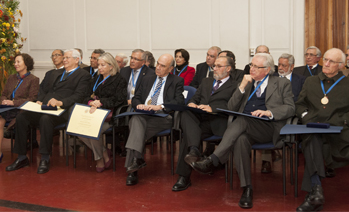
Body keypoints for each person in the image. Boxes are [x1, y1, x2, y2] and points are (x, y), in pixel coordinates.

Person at [191, 53, 295, 209]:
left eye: (255, 67)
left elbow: (290, 108)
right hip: (245, 126)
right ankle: (247, 189)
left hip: (268, 126)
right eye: (251, 65)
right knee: (240, 139)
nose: (251, 69)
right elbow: (231, 108)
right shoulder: (246, 83)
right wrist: (241, 87)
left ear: (267, 70)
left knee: (242, 119)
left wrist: (270, 112)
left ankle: (214, 159)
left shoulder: (281, 84)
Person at [294, 48, 349, 211]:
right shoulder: (311, 82)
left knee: (311, 142)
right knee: (312, 137)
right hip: (315, 129)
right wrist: (306, 116)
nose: (326, 64)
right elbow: (300, 105)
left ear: (341, 65)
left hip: (338, 135)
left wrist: (342, 120)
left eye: (331, 62)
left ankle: (315, 193)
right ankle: (316, 192)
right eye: (325, 60)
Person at [6, 49, 91, 174]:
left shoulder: (84, 75)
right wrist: (39, 100)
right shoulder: (55, 73)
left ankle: (45, 158)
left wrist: (61, 103)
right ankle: (21, 157)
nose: (64, 60)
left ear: (77, 59)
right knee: (22, 117)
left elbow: (79, 96)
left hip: (64, 110)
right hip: (45, 107)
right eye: (64, 58)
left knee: (46, 119)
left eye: (67, 57)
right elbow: (43, 90)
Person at [172, 56, 237, 192]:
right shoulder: (206, 81)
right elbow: (196, 97)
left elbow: (234, 106)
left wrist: (213, 109)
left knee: (188, 136)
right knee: (185, 113)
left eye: (219, 66)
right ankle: (194, 152)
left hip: (218, 121)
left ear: (228, 68)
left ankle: (184, 174)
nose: (215, 69)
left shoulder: (235, 85)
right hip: (201, 120)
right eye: (214, 66)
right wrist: (192, 103)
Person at [124, 54, 184, 186]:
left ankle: (133, 170)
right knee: (136, 120)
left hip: (163, 117)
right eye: (158, 64)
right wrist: (138, 105)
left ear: (170, 69)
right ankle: (136, 161)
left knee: (135, 126)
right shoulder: (147, 78)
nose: (158, 68)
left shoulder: (176, 81)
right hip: (144, 114)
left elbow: (179, 101)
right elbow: (136, 98)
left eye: (163, 66)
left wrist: (160, 106)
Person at [79, 53, 127, 172]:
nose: (99, 67)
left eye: (103, 65)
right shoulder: (96, 78)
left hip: (110, 116)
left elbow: (119, 99)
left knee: (93, 130)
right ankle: (104, 152)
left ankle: (99, 159)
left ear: (111, 66)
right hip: (94, 113)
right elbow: (84, 96)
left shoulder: (119, 80)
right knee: (79, 131)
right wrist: (91, 102)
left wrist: (100, 103)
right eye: (99, 65)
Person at [0, 54, 39, 162]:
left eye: (18, 62)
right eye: (15, 62)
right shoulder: (11, 77)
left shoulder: (33, 79)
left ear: (26, 64)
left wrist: (13, 102)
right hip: (6, 108)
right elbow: (4, 93)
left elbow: (32, 99)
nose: (15, 64)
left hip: (20, 110)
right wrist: (4, 100)